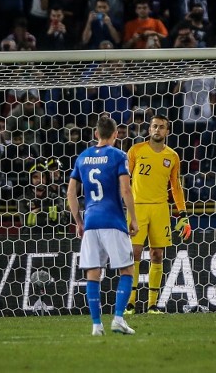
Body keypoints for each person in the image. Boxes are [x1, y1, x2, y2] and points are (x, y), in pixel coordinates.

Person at [66, 115, 139, 336]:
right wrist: (133, 218)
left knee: (93, 273)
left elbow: (71, 192)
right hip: (113, 220)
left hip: (91, 222)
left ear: (96, 134)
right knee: (127, 268)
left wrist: (79, 221)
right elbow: (126, 190)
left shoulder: (83, 157)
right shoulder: (119, 156)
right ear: (116, 135)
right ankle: (118, 318)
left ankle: (96, 325)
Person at [124, 114, 191, 315]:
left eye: (161, 127)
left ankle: (153, 304)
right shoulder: (135, 151)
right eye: (154, 126)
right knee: (134, 253)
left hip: (161, 209)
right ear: (149, 129)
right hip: (137, 208)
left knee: (157, 254)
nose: (157, 130)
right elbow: (124, 180)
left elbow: (176, 187)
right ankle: (130, 302)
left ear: (167, 131)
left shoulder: (172, 156)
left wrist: (183, 214)